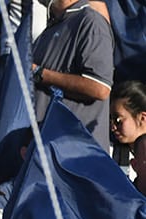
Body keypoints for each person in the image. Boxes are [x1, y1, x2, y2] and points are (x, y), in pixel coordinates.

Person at [31, 0, 114, 150]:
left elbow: (99, 87)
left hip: (75, 157)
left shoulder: (91, 21)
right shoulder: (50, 29)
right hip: (48, 150)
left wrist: (40, 73)